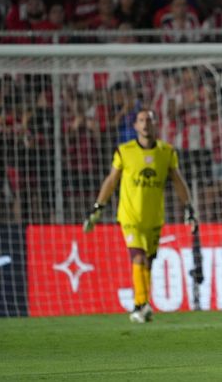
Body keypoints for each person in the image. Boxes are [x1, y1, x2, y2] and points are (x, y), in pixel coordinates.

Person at [84, 109, 196, 323]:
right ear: (135, 125)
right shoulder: (124, 151)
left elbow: (178, 181)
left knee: (148, 262)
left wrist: (188, 208)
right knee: (138, 257)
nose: (145, 124)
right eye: (141, 120)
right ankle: (141, 304)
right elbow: (111, 180)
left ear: (155, 124)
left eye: (149, 120)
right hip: (130, 216)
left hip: (154, 217)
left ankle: (141, 305)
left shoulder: (166, 152)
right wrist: (98, 206)